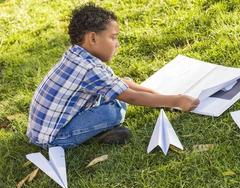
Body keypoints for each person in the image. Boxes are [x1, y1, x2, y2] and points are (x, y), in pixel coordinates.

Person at [26, 3, 200, 149]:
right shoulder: (89, 69)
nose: (117, 44)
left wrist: (163, 98)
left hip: (41, 129)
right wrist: (176, 101)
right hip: (55, 138)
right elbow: (131, 97)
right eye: (113, 38)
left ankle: (97, 130)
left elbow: (122, 84)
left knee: (124, 85)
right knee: (113, 112)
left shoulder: (77, 55)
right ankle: (99, 132)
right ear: (93, 38)